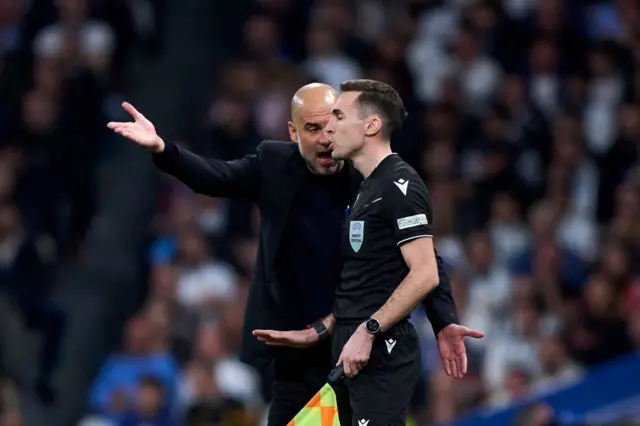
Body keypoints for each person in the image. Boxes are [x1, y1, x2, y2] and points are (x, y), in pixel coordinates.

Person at [106, 83, 482, 425]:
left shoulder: (369, 176)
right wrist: (163, 149)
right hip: (295, 352)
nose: (324, 139)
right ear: (293, 132)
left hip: (357, 346)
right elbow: (215, 176)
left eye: (330, 125)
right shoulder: (273, 163)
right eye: (312, 129)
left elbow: (422, 255)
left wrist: (443, 320)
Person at [330, 79, 453, 425]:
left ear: (371, 125)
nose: (329, 126)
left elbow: (425, 271)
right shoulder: (367, 187)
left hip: (379, 348)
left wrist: (368, 330)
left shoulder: (400, 185)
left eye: (339, 116)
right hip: (350, 345)